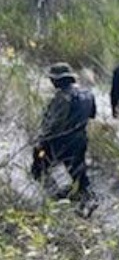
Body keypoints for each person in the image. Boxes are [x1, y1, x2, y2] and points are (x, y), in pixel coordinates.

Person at [31, 63, 97, 200]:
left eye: (52, 79)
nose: (51, 82)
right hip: (80, 139)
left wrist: (41, 142)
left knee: (39, 168)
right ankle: (86, 197)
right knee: (78, 171)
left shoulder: (62, 98)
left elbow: (54, 124)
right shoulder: (87, 94)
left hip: (61, 141)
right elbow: (92, 114)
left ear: (58, 80)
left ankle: (53, 197)